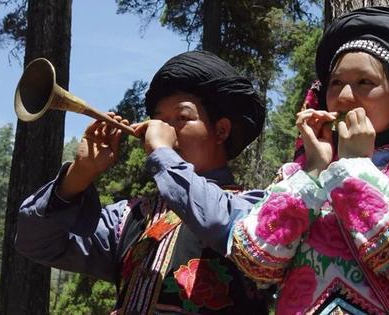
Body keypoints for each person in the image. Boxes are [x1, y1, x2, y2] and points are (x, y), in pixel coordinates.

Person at [227, 7, 389, 315]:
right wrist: (315, 171)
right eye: (335, 83)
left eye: (364, 83)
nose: (343, 97)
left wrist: (355, 167)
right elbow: (255, 265)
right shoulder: (297, 176)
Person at [15, 50, 270, 314]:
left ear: (221, 130)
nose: (165, 131)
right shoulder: (130, 218)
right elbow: (36, 243)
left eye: (182, 118)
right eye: (160, 121)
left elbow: (220, 223)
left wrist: (163, 153)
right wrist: (79, 175)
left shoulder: (257, 207)